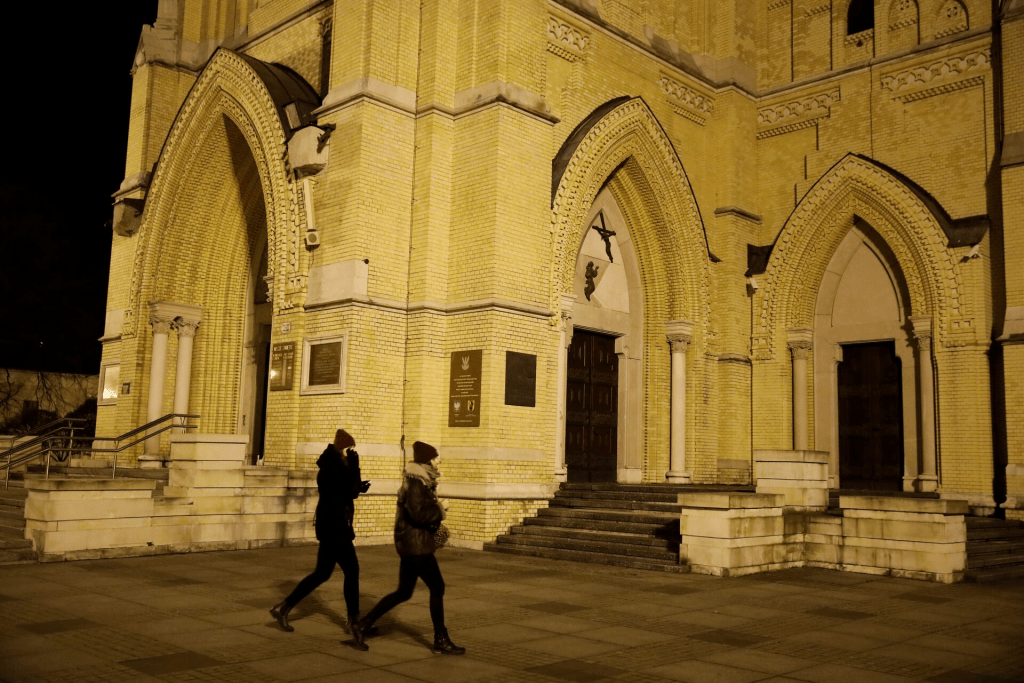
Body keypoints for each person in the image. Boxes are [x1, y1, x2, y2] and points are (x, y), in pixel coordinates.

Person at [357, 441, 465, 655]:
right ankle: (440, 640)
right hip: (417, 547)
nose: (437, 462)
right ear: (426, 460)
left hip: (412, 545)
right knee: (437, 587)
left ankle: (363, 624)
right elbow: (417, 515)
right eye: (435, 458)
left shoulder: (420, 481)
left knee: (403, 592)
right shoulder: (416, 483)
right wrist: (440, 510)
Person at [271, 429, 371, 650]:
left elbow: (347, 491)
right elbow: (350, 491)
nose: (349, 454)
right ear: (342, 448)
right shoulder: (335, 466)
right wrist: (356, 468)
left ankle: (283, 607)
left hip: (330, 526)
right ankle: (354, 623)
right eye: (348, 450)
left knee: (322, 573)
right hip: (335, 527)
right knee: (352, 571)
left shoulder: (330, 465)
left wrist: (356, 481)